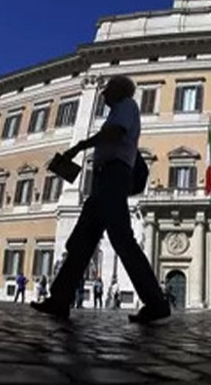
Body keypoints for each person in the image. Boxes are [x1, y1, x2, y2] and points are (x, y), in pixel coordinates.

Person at [31, 76, 169, 323]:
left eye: (107, 89)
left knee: (121, 241)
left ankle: (156, 303)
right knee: (82, 242)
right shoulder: (120, 110)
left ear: (119, 90)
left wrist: (80, 146)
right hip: (104, 180)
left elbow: (114, 133)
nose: (103, 94)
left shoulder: (126, 106)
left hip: (113, 178)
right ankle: (59, 300)